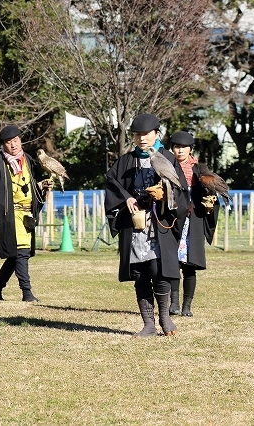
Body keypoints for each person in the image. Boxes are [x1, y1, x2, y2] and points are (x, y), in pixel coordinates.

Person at [104, 114, 189, 337]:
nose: (142, 139)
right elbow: (112, 184)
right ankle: (148, 324)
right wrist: (126, 199)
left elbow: (182, 193)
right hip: (135, 226)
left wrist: (165, 198)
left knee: (159, 271)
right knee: (140, 274)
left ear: (157, 135)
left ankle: (165, 318)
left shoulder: (169, 158)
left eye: (146, 134)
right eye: (137, 135)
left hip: (160, 224)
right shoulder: (125, 161)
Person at [0, 125, 50, 302]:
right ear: (3, 144)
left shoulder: (29, 161)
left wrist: (44, 188)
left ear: (20, 140)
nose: (13, 145)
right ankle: (27, 293)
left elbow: (37, 187)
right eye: (9, 142)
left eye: (16, 140)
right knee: (21, 253)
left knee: (15, 255)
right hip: (7, 215)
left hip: (27, 215)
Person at [168, 131, 220, 317]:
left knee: (190, 265)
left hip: (193, 222)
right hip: (173, 221)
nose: (180, 150)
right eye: (176, 146)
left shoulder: (200, 169)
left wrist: (210, 205)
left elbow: (211, 195)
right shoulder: (168, 166)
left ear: (191, 149)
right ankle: (173, 304)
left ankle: (187, 307)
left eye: (183, 147)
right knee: (172, 263)